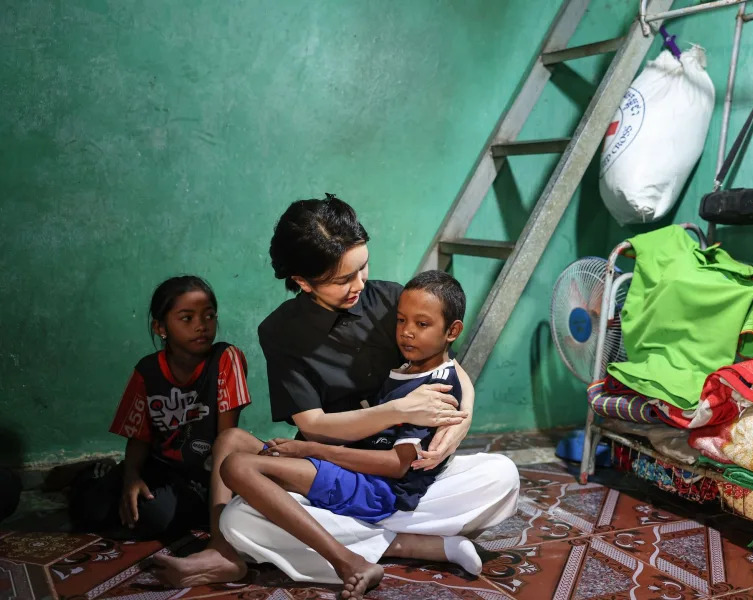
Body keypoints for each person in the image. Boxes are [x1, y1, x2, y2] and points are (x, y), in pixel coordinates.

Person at [153, 195, 519, 587]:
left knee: (502, 476)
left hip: (397, 470)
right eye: (343, 279)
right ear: (302, 282)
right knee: (233, 488)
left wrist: (460, 423)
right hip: (332, 466)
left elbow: (449, 364)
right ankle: (224, 551)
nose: (359, 284)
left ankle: (381, 539)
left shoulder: (392, 299)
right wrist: (399, 411)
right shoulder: (280, 332)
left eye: (362, 268)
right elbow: (313, 428)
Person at [220, 270, 482, 598]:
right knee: (230, 442)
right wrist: (313, 448)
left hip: (375, 489)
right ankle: (220, 553)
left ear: (452, 331)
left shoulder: (437, 388)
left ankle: (349, 562)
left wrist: (312, 451)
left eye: (421, 325)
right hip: (353, 465)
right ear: (304, 280)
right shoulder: (403, 370)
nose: (406, 333)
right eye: (401, 321)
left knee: (237, 468)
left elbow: (395, 465)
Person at [69, 276, 251, 540]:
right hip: (159, 467)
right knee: (90, 512)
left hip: (204, 472)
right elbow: (139, 436)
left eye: (209, 316)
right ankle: (90, 474)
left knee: (161, 517)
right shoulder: (148, 371)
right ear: (160, 327)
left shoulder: (226, 358)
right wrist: (131, 477)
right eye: (187, 318)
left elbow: (227, 440)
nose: (201, 326)